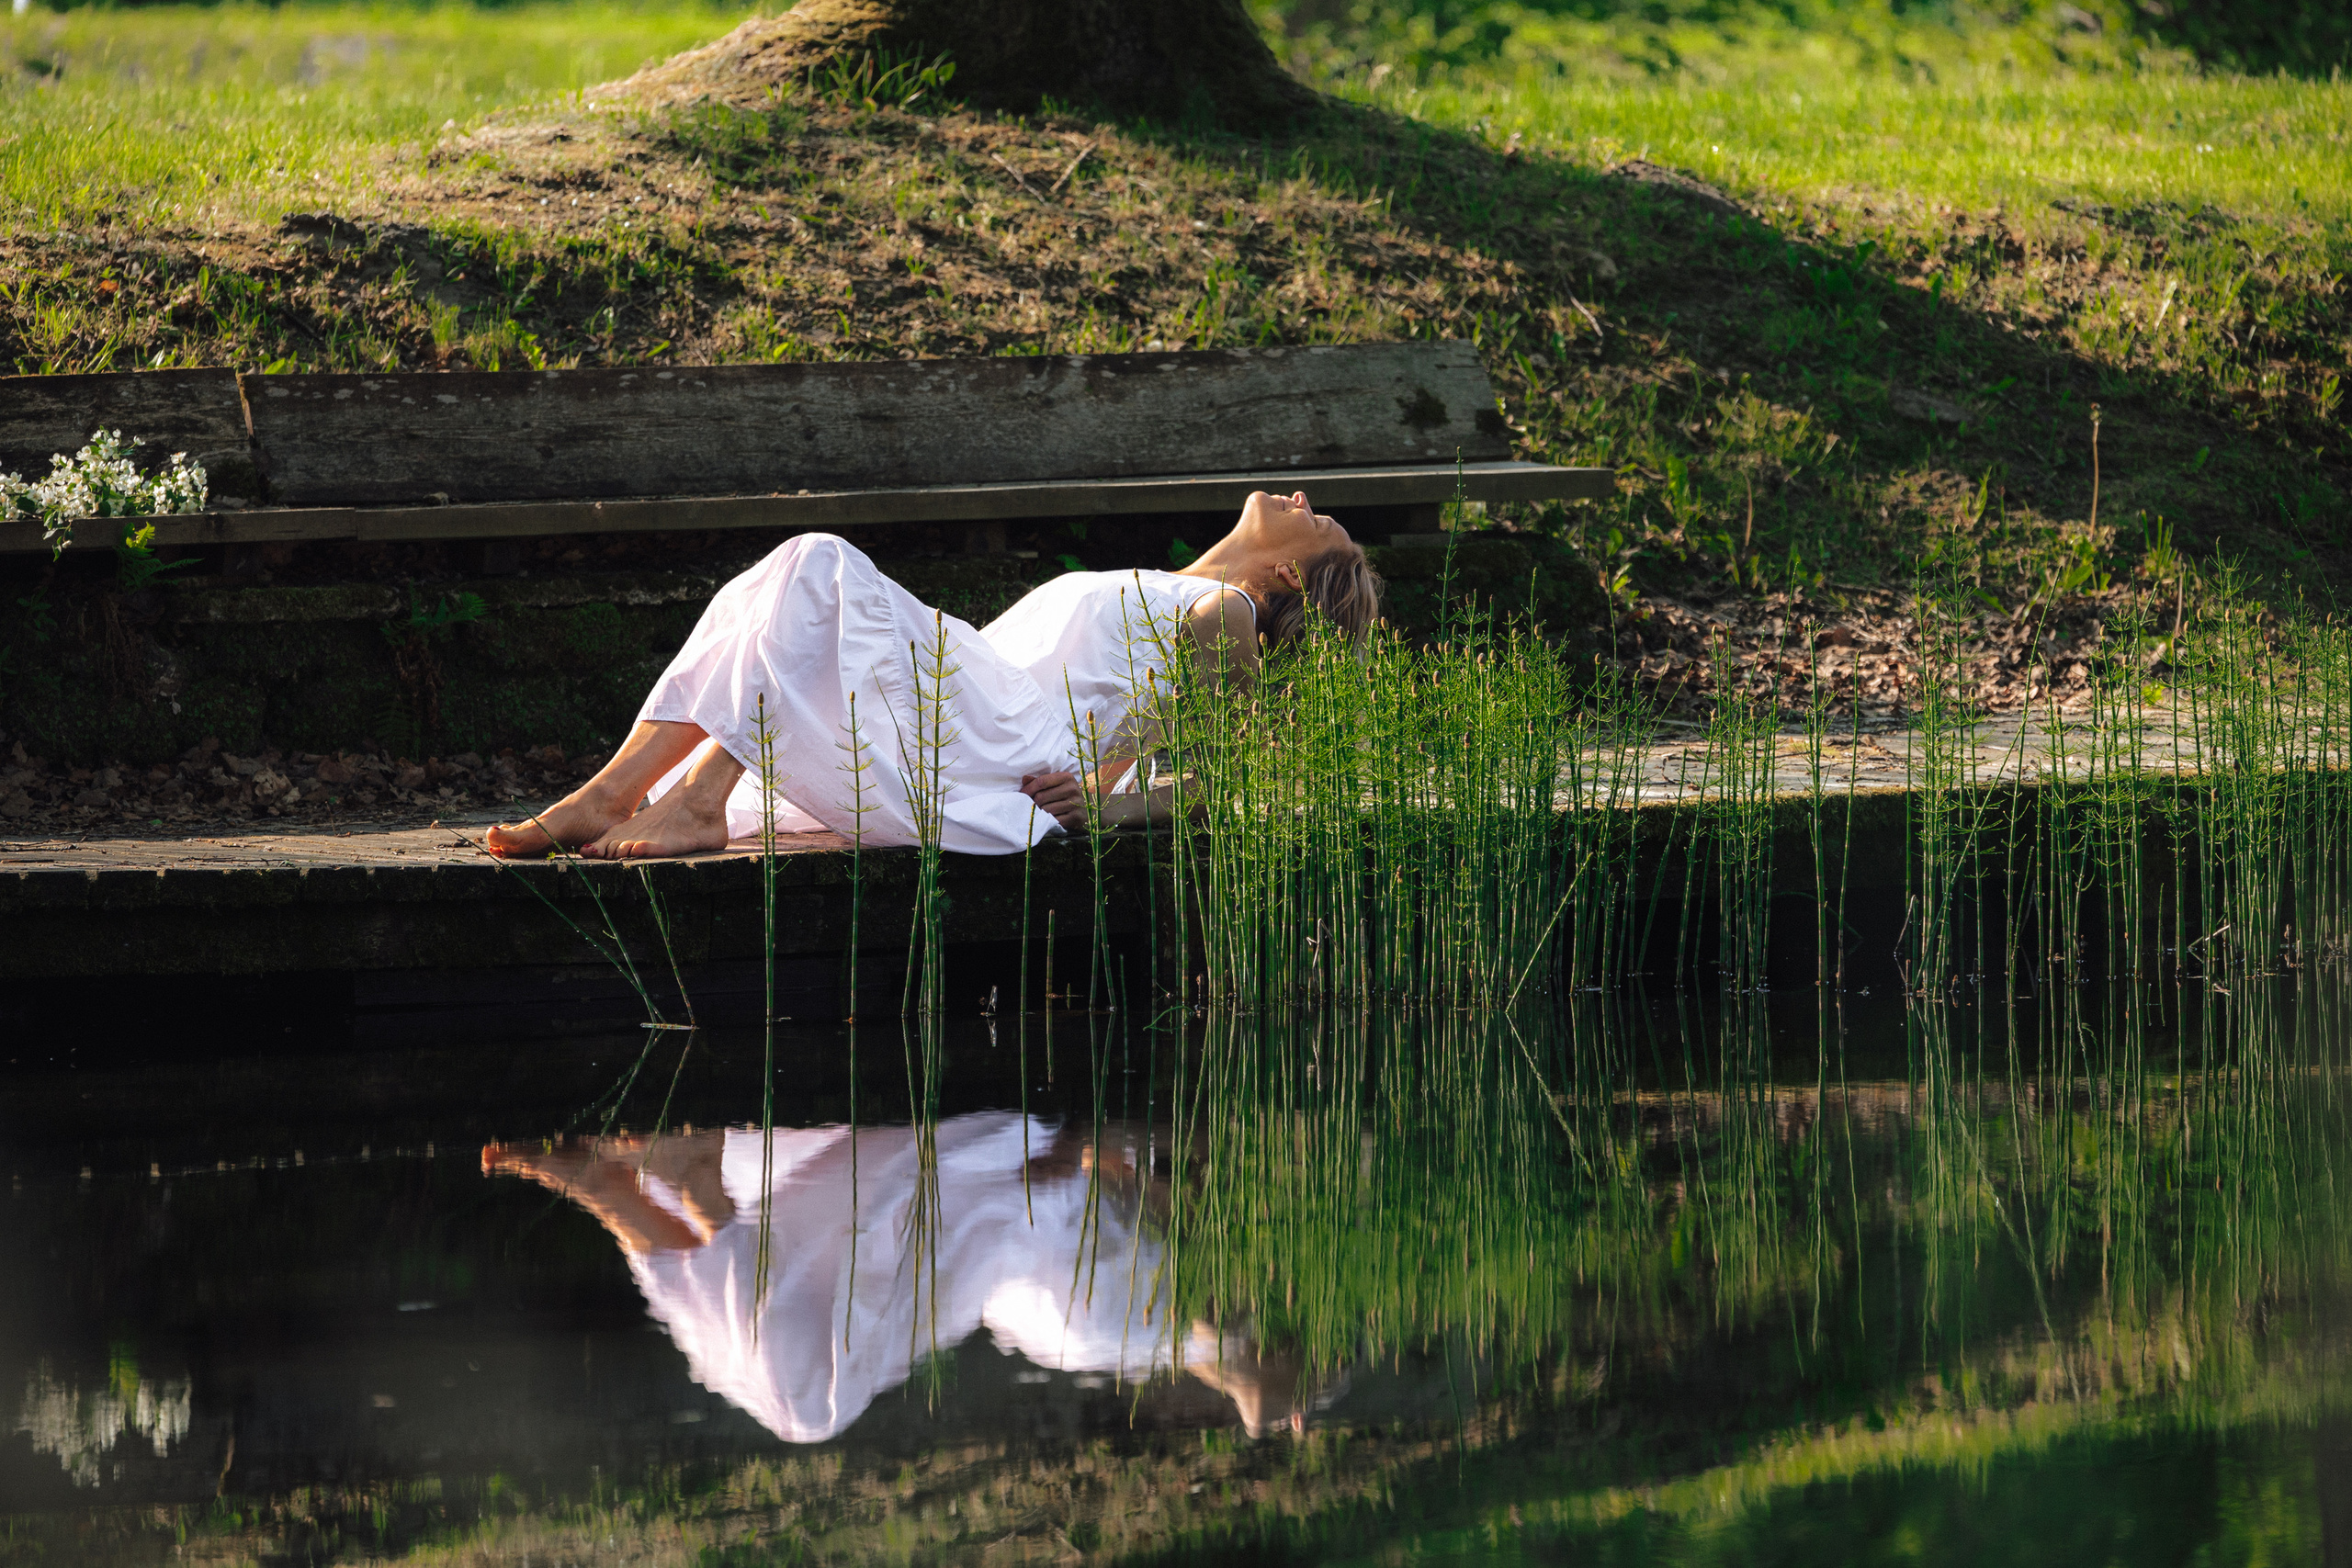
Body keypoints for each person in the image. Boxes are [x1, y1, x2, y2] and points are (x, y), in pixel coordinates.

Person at [482, 489, 1379, 859]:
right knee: (777, 586)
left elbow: (1222, 780)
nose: (1303, 500)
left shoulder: (1223, 615)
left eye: (1322, 520)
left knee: (816, 560)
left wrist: (1108, 809)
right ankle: (621, 793)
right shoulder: (1164, 587)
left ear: (1291, 575)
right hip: (968, 703)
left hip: (1002, 736)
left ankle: (687, 801)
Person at [483, 1119, 1328, 1442]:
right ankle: (656, 1188)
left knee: (800, 1394)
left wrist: (1256, 1379)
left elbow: (1123, 1182)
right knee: (803, 1398)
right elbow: (1112, 1161)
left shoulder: (1167, 1318)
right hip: (993, 1197)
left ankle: (627, 1186)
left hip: (987, 1227)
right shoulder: (1177, 1291)